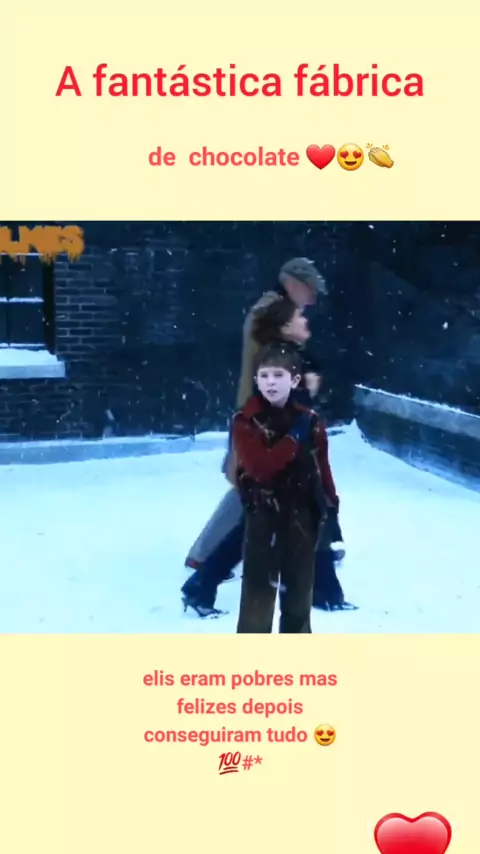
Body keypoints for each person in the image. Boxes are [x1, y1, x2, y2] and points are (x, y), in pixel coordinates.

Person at [181, 258, 355, 616]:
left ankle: (321, 586)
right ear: (293, 285)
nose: (309, 310)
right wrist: (300, 388)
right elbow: (270, 369)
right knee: (264, 501)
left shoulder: (276, 323)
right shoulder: (271, 320)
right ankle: (203, 573)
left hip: (276, 420)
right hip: (270, 423)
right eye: (307, 299)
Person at [233, 343, 339, 632]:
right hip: (263, 516)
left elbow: (322, 466)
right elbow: (260, 468)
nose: (271, 382)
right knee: (257, 600)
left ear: (294, 380)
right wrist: (292, 439)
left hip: (302, 516)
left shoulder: (310, 421)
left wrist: (331, 505)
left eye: (278, 375)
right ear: (256, 380)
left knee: (298, 598)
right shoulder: (246, 421)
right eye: (264, 375)